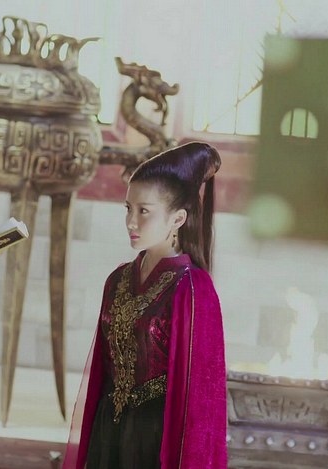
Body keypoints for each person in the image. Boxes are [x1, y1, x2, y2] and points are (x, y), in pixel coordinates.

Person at [63, 142, 228, 469]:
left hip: (155, 437)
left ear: (178, 218)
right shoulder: (118, 279)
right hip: (108, 428)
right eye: (128, 208)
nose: (131, 221)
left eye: (144, 211)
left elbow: (202, 402)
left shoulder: (193, 288)